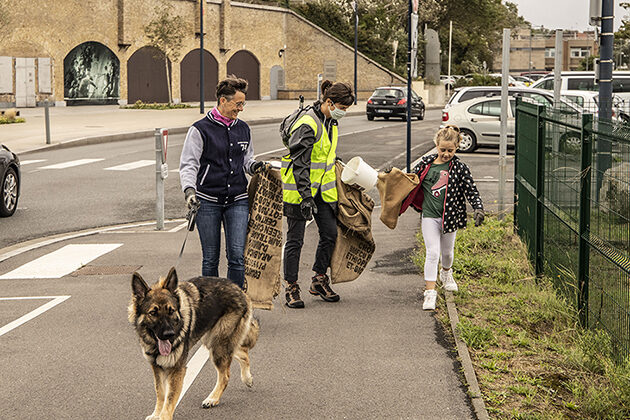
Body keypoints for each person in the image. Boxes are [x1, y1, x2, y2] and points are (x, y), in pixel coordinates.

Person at [179, 76, 268, 289]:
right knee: (210, 257)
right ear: (222, 101)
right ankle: (211, 303)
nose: (241, 109)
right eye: (238, 104)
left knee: (237, 255)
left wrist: (254, 167)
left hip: (238, 199)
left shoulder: (243, 129)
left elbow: (247, 159)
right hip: (207, 201)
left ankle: (235, 304)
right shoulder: (200, 129)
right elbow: (189, 164)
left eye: (243, 104)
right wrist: (190, 191)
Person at [281, 80, 355, 308]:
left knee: (330, 234)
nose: (343, 113)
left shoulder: (331, 122)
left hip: (324, 190)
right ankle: (291, 287)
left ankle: (319, 279)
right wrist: (305, 197)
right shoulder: (307, 124)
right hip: (300, 191)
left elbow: (325, 156)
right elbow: (299, 163)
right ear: (329, 102)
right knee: (295, 240)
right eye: (341, 108)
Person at [411, 125, 485, 310]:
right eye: (442, 149)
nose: (445, 154)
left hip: (450, 217)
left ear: (457, 147)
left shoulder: (460, 168)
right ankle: (430, 293)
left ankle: (446, 273)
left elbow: (471, 190)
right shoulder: (425, 164)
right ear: (436, 145)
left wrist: (478, 208)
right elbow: (407, 180)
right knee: (432, 252)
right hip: (429, 216)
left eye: (450, 150)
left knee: (447, 253)